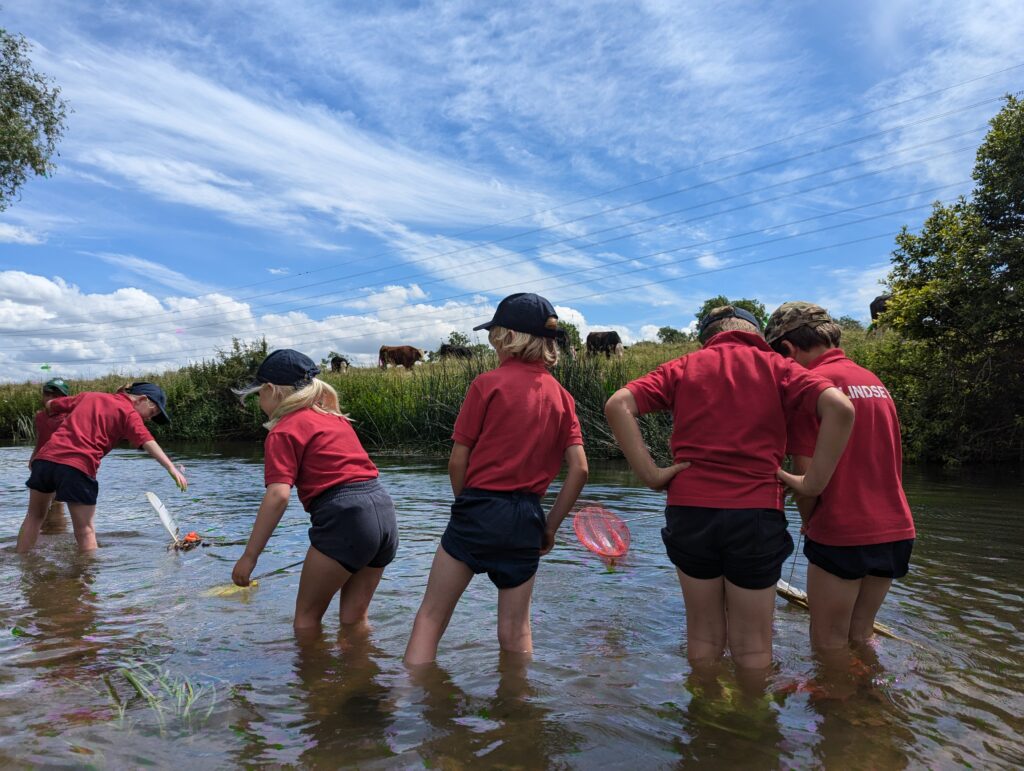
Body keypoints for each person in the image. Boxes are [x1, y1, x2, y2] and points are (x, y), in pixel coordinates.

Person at [604, 305, 855, 677]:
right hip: (755, 514)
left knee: (703, 637)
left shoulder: (685, 365)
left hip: (690, 513)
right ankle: (750, 726)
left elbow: (617, 404)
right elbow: (840, 408)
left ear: (708, 337)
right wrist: (811, 483)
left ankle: (703, 717)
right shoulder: (779, 367)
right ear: (755, 334)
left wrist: (652, 475)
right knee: (753, 645)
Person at [405, 293, 589, 665]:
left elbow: (458, 461)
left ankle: (408, 700)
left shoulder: (487, 384)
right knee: (516, 629)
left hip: (479, 507)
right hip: (527, 517)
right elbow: (580, 469)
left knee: (431, 615)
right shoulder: (563, 397)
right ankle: (517, 711)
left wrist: (466, 505)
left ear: (507, 337)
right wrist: (549, 527)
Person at [765, 302, 915, 651]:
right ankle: (870, 703)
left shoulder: (811, 389)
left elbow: (806, 481)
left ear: (788, 349)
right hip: (896, 529)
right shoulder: (873, 381)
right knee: (861, 635)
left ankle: (841, 705)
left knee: (827, 642)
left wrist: (809, 522)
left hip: (843, 531)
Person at [231, 349, 398, 634]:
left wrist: (249, 556)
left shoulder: (283, 430)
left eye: (259, 393)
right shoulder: (335, 419)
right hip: (384, 514)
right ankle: (366, 677)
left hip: (346, 520)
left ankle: (312, 680)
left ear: (272, 390)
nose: (260, 400)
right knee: (354, 620)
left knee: (306, 621)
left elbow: (278, 495)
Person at [19, 382, 187, 553]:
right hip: (77, 466)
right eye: (152, 412)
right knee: (85, 530)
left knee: (34, 517)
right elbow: (146, 440)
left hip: (45, 460)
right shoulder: (128, 412)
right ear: (142, 399)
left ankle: (22, 565)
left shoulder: (90, 396)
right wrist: (170, 467)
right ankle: (87, 576)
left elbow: (50, 405)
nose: (149, 418)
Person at [28, 378, 72, 532]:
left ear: (65, 399)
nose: (51, 398)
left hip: (62, 463)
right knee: (41, 506)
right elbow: (41, 438)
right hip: (42, 462)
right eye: (47, 393)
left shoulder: (69, 416)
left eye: (57, 395)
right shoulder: (40, 416)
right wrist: (33, 456)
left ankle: (58, 532)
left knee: (57, 503)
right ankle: (46, 534)